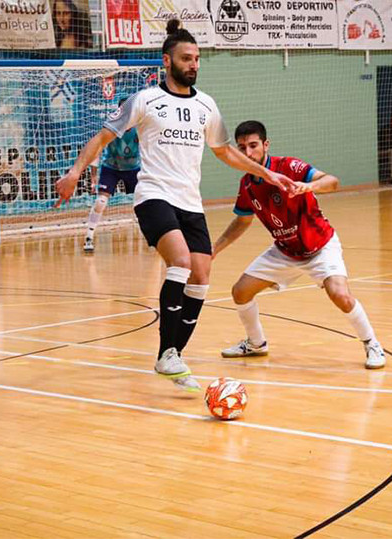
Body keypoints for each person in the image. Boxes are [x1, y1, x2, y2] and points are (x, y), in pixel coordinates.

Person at [55, 19, 296, 392]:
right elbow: (102, 137)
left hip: (190, 202)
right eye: (187, 58)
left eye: (197, 58)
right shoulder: (145, 100)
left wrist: (266, 175)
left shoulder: (206, 106)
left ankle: (173, 355)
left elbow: (224, 152)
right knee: (181, 262)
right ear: (167, 61)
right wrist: (74, 172)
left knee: (201, 275)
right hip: (153, 195)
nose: (194, 64)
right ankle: (167, 351)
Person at [212, 120, 386, 370]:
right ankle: (256, 344)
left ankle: (372, 343)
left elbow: (332, 181)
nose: (248, 153)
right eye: (242, 148)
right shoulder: (247, 185)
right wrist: (215, 248)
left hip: (320, 245)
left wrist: (309, 186)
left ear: (265, 144)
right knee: (240, 292)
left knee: (339, 294)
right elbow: (242, 221)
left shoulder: (288, 166)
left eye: (253, 146)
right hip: (285, 250)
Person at [84, 98, 140, 253]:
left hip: (133, 169)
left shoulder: (140, 128)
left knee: (146, 201)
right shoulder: (111, 128)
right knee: (101, 201)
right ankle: (89, 236)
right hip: (111, 168)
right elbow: (97, 148)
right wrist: (94, 174)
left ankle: (153, 235)